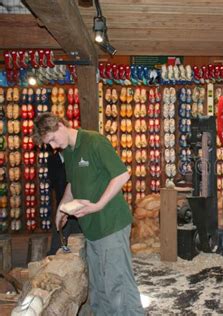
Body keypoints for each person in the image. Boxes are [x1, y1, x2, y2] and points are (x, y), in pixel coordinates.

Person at [33, 113, 144, 315]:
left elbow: (122, 175)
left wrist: (99, 204)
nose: (53, 147)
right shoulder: (68, 152)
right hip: (92, 229)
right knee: (98, 288)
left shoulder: (94, 141)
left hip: (111, 224)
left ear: (59, 125)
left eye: (52, 140)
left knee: (118, 287)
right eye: (48, 144)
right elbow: (72, 184)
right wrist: (62, 207)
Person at [47, 150, 83, 255]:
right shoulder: (53, 160)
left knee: (79, 243)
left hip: (78, 207)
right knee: (58, 243)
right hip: (63, 206)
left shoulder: (77, 158)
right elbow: (55, 181)